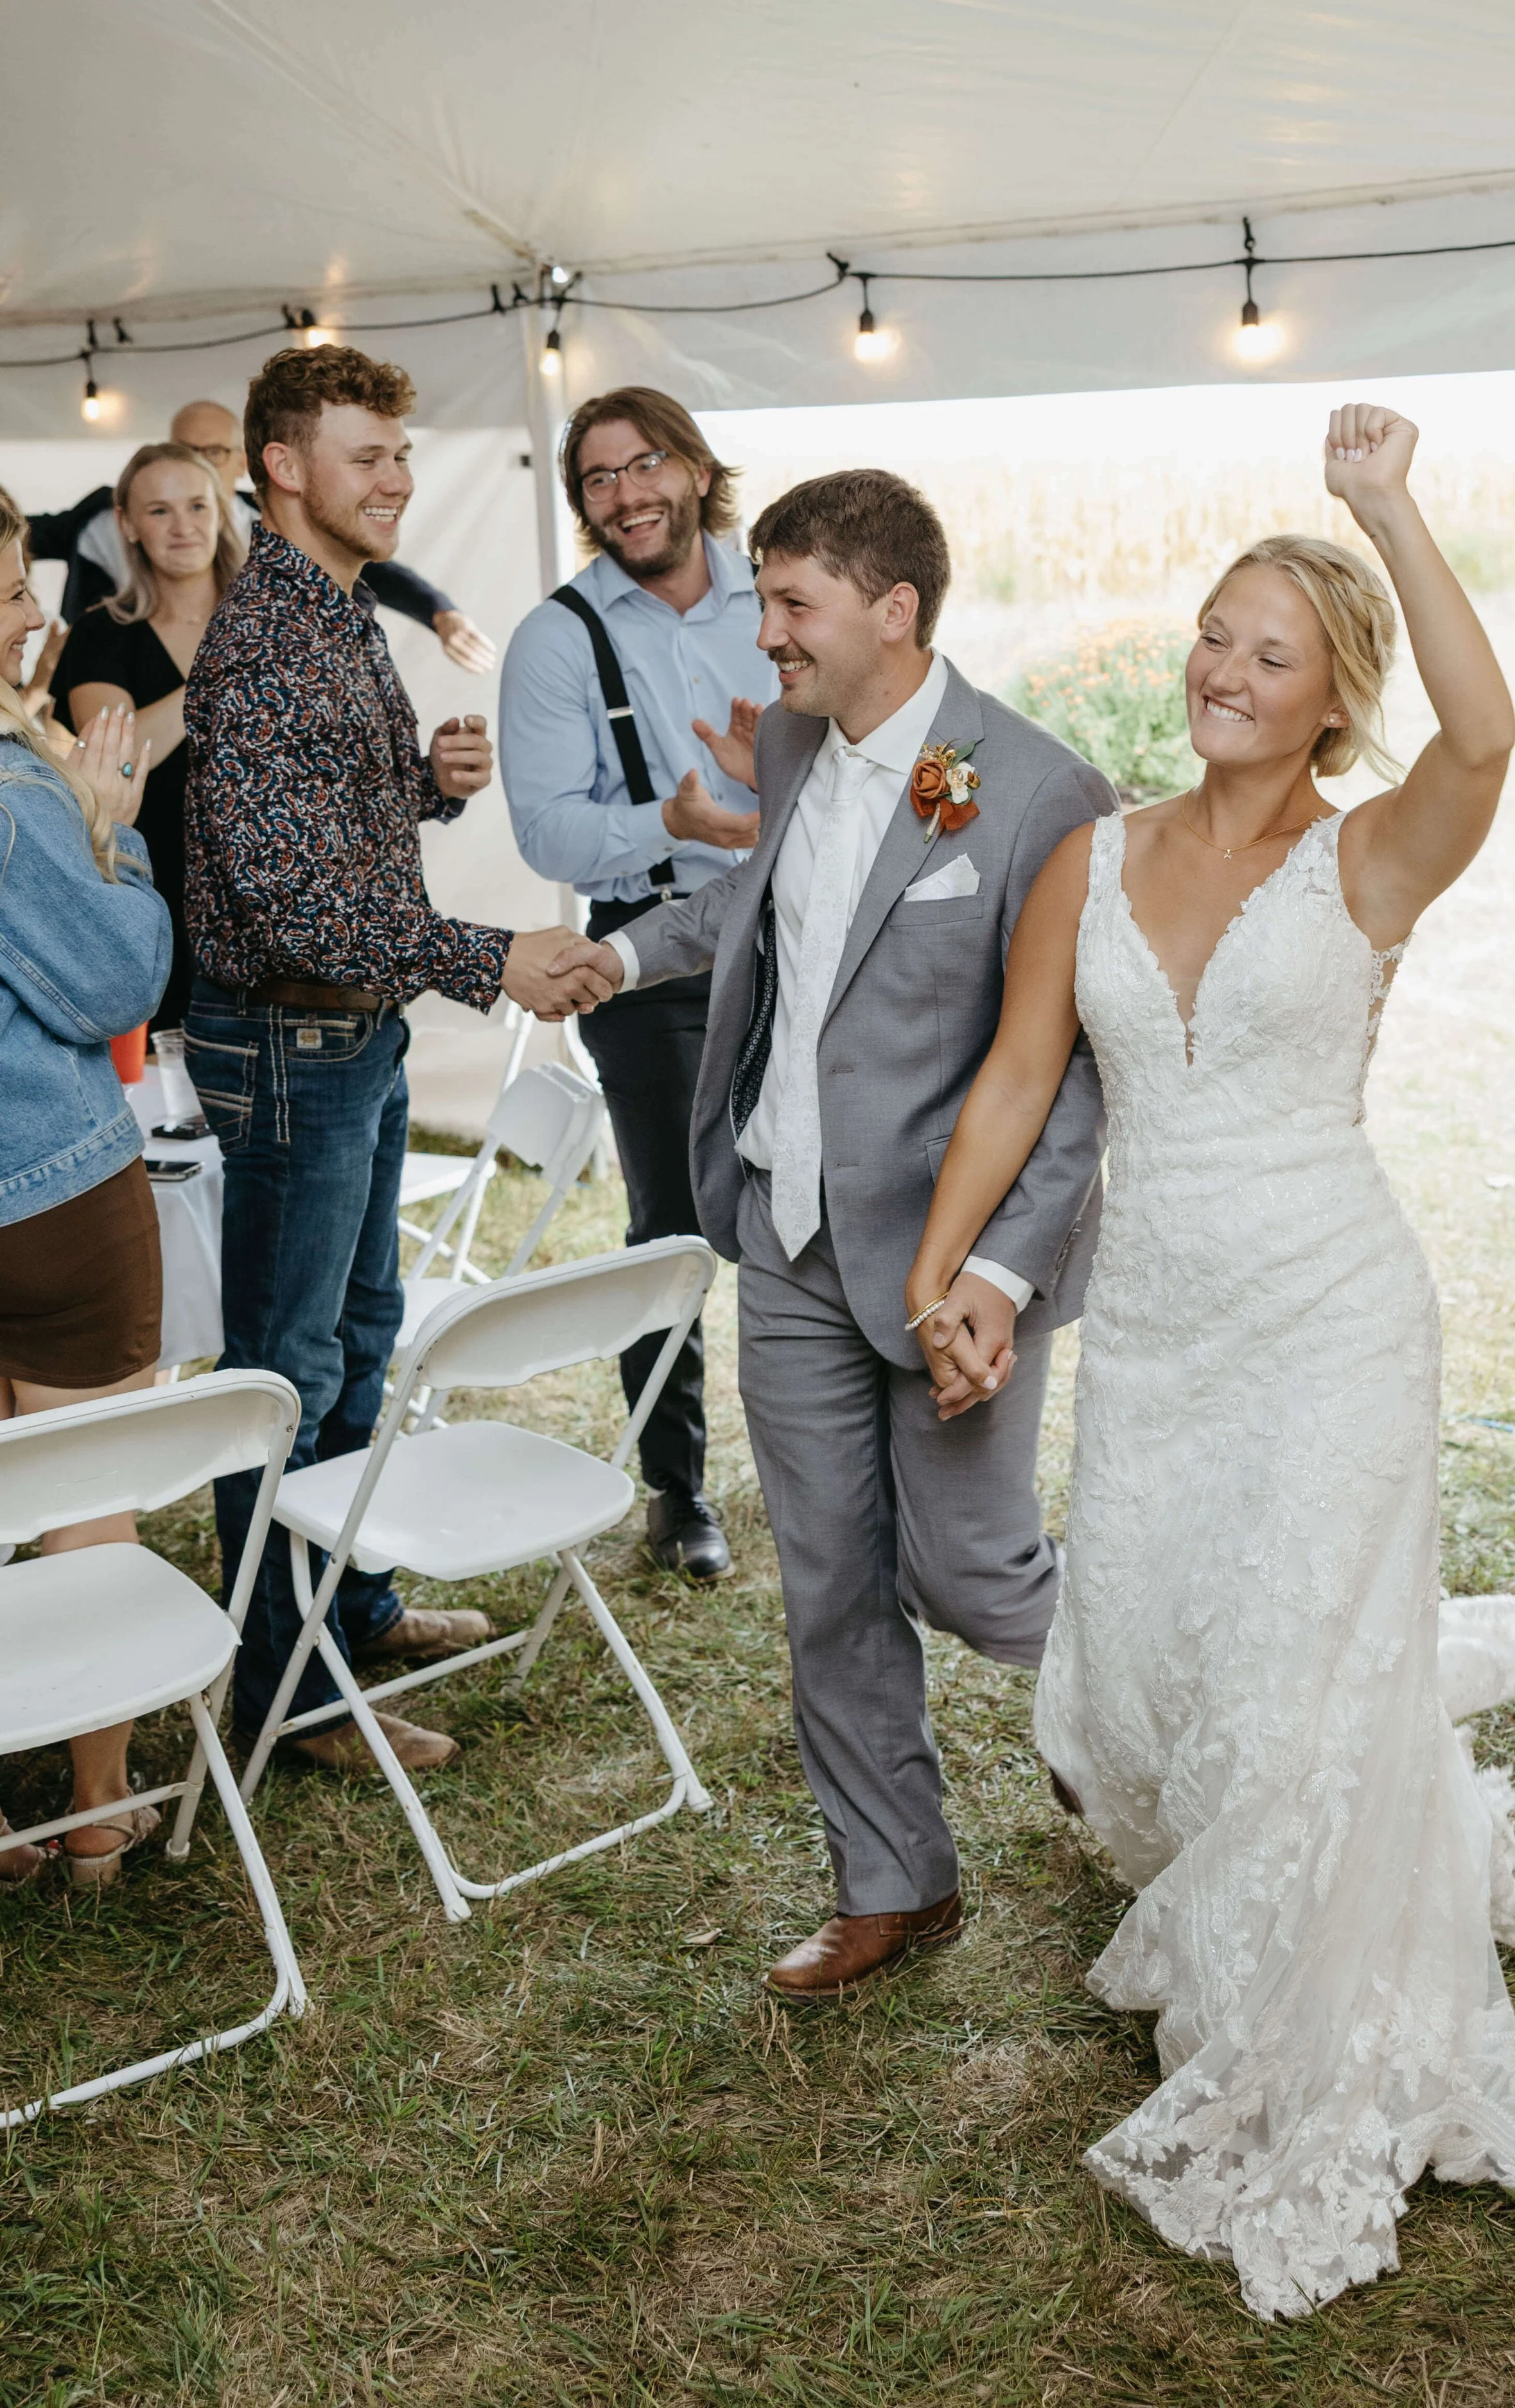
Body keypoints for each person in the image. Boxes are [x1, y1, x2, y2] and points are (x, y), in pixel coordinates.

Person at [907, 404, 1515, 2319]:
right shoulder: (1089, 861)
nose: (1221, 667)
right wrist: (948, 1273)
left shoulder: (1371, 859)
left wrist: (1381, 504)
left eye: (1268, 653)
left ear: (1323, 702)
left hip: (1332, 1316)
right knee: (1166, 1655)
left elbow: (1487, 737)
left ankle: (1309, 2011)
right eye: (1211, 632)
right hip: (1166, 1336)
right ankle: (1283, 1887)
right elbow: (1020, 1076)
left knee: (1296, 1673)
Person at [551, 469, 1112, 1996]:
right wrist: (613, 951)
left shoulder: (1040, 790)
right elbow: (766, 917)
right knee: (832, 1578)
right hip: (784, 1235)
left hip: (950, 1269)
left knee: (979, 1571)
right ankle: (893, 1881)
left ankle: (1133, 1745)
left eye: (790, 605)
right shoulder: (793, 741)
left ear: (893, 609)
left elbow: (1067, 1077)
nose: (765, 633)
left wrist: (997, 1271)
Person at [184, 344, 611, 1778]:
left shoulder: (339, 612)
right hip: (290, 1048)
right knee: (286, 1374)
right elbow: (285, 896)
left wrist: (418, 785)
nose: (397, 481)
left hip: (352, 1035)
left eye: (403, 458)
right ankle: (289, 1695)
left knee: (360, 1343)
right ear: (283, 467)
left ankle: (349, 1606)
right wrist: (487, 956)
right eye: (367, 455)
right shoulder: (258, 639)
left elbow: (319, 842)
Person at [500, 387, 776, 1580]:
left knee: (824, 1197)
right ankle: (676, 1488)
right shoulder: (558, 638)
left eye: (645, 464)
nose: (626, 496)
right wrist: (663, 822)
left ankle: (838, 1456)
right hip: (646, 954)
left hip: (804, 934)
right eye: (598, 479)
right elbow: (551, 836)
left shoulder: (779, 594)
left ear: (696, 469)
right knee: (675, 1226)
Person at [0, 495, 176, 1886]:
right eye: (8, 595)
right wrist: (109, 833)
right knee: (84, 1496)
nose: (33, 618)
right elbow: (113, 987)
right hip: (51, 1194)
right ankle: (99, 1807)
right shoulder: (14, 798)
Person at [25, 396, 496, 669]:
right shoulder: (103, 514)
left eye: (211, 451)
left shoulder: (270, 522)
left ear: (240, 462)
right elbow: (22, 533)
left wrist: (440, 613)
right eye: (183, 449)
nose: (195, 464)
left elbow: (370, 569)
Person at [51, 441, 246, 1029]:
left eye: (197, 506)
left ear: (222, 511)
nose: (182, 526)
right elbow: (118, 766)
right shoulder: (102, 635)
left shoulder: (271, 621)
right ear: (127, 524)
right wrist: (217, 676)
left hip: (271, 909)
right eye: (159, 511)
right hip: (163, 905)